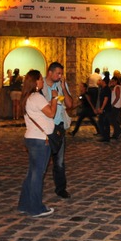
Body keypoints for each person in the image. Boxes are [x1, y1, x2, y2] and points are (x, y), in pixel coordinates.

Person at [17, 70, 57, 217]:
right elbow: (51, 113)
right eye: (40, 79)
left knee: (32, 173)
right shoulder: (36, 97)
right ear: (35, 82)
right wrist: (54, 99)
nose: (42, 81)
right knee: (37, 174)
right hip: (40, 139)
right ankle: (35, 208)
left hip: (31, 137)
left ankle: (24, 204)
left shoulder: (27, 97)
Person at [42, 62, 73, 198]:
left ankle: (61, 188)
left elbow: (69, 104)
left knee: (59, 161)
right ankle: (37, 186)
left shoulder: (61, 84)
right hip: (45, 127)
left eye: (61, 74)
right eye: (58, 73)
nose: (60, 76)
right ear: (50, 72)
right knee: (43, 160)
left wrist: (63, 88)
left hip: (59, 126)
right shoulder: (41, 85)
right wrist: (54, 98)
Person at [96, 77, 113, 142]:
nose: (100, 82)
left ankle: (105, 137)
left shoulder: (106, 89)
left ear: (104, 82)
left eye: (101, 80)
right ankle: (106, 137)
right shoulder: (103, 89)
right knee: (104, 122)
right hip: (104, 109)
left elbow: (106, 99)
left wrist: (102, 108)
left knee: (103, 122)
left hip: (106, 109)